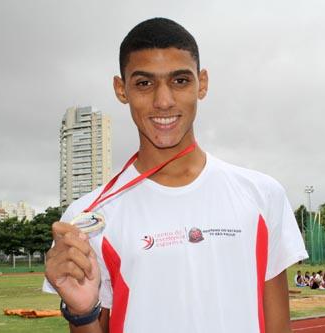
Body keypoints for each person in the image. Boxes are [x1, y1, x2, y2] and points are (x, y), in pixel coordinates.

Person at [43, 17, 308, 333]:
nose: (163, 101)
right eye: (144, 83)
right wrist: (83, 312)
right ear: (121, 89)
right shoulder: (90, 218)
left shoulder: (262, 195)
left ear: (202, 83)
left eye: (180, 81)